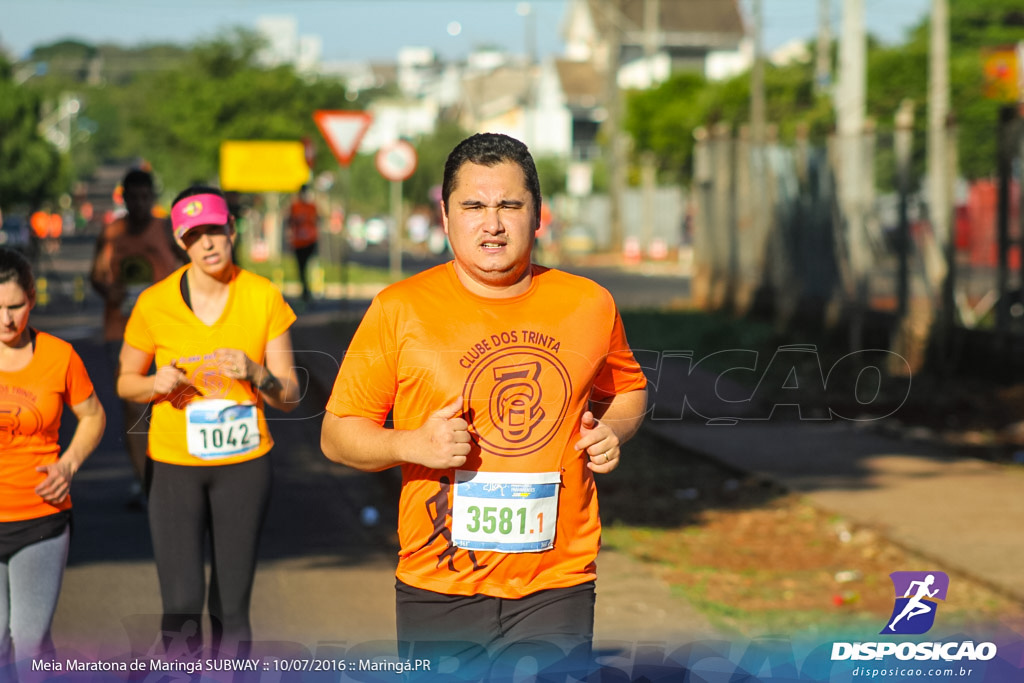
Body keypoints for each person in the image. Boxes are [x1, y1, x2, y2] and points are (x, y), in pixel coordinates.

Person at [321, 133, 648, 678]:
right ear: (445, 218)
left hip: (557, 581)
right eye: (473, 206)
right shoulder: (399, 309)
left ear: (538, 215)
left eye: (509, 205)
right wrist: (410, 443)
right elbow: (337, 435)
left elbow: (630, 390)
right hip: (438, 584)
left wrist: (613, 430)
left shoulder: (589, 303)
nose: (492, 224)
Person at [116, 185, 300, 660]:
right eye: (195, 235)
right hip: (174, 465)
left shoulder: (262, 296)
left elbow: (290, 394)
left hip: (244, 465)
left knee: (230, 608)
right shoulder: (154, 304)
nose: (208, 243)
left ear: (232, 229)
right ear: (181, 241)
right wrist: (154, 384)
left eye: (215, 230)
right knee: (180, 606)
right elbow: (124, 383)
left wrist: (257, 373)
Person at [0, 248, 106, 678]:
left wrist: (69, 464)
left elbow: (94, 415)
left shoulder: (58, 356)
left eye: (15, 306)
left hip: (40, 519)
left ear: (32, 299)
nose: (6, 319)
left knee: (28, 641)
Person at [90, 168, 185, 504]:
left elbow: (191, 265)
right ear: (125, 198)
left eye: (146, 197)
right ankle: (145, 483)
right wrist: (108, 291)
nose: (140, 203)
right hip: (122, 328)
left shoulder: (166, 230)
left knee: (170, 400)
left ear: (153, 198)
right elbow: (96, 275)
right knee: (133, 406)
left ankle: (172, 471)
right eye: (134, 197)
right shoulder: (112, 232)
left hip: (167, 328)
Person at [286, 184, 319, 304]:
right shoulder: (295, 207)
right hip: (298, 242)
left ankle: (313, 290)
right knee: (301, 269)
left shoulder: (312, 207)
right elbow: (289, 221)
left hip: (310, 241)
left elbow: (318, 220)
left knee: (312, 267)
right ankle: (305, 292)